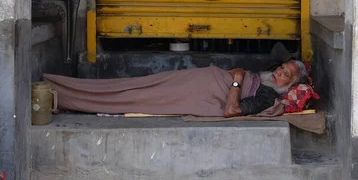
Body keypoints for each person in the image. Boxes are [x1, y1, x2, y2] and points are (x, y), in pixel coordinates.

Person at [43, 57, 308, 118]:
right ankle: (59, 87)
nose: (278, 72)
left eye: (285, 75)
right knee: (135, 85)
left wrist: (237, 80)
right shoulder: (262, 77)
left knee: (137, 96)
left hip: (196, 94)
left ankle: (64, 96)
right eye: (281, 67)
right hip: (192, 81)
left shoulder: (266, 95)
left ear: (289, 86)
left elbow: (232, 110)